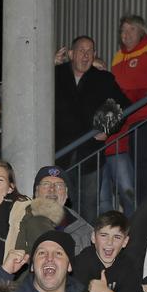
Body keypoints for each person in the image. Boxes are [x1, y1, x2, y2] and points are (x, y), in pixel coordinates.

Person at [54, 35, 132, 221]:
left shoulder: (103, 78)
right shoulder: (55, 74)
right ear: (71, 54)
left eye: (90, 51)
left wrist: (108, 128)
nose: (86, 55)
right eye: (81, 50)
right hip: (59, 154)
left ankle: (86, 247)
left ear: (95, 54)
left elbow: (124, 104)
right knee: (59, 206)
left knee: (89, 205)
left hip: (90, 154)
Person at [111, 15, 147, 191]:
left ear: (141, 31)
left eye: (131, 29)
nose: (126, 34)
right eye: (123, 30)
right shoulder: (118, 57)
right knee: (136, 170)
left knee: (144, 167)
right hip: (129, 122)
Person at [16, 166, 93, 255]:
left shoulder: (85, 231)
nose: (52, 189)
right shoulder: (17, 220)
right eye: (46, 184)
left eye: (59, 185)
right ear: (36, 192)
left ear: (67, 193)